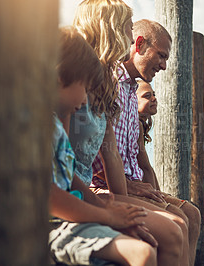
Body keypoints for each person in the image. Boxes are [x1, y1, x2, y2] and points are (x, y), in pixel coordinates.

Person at [69, 1, 188, 265]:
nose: (130, 37)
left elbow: (114, 154)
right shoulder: (75, 83)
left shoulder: (106, 87)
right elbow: (62, 167)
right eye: (125, 29)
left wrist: (122, 203)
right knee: (172, 228)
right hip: (82, 193)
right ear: (108, 29)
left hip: (87, 191)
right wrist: (114, 208)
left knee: (180, 220)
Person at [91, 19, 200, 265]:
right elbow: (102, 154)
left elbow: (139, 160)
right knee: (177, 223)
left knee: (191, 214)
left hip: (126, 184)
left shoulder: (131, 90)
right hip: (103, 187)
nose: (163, 66)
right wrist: (129, 188)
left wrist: (154, 192)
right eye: (161, 56)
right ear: (138, 44)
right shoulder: (110, 83)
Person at [50, 26, 157, 266]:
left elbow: (67, 180)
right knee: (143, 254)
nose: (86, 100)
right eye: (85, 89)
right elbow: (51, 196)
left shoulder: (55, 127)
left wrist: (104, 209)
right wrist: (107, 215)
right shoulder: (39, 131)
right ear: (60, 78)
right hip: (48, 225)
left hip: (68, 215)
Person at [136, 80, 202, 265]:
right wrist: (159, 197)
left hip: (141, 186)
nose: (154, 99)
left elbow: (146, 168)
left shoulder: (139, 124)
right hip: (128, 189)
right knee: (182, 217)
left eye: (154, 94)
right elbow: (145, 167)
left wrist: (160, 194)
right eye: (147, 96)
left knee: (193, 214)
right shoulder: (133, 124)